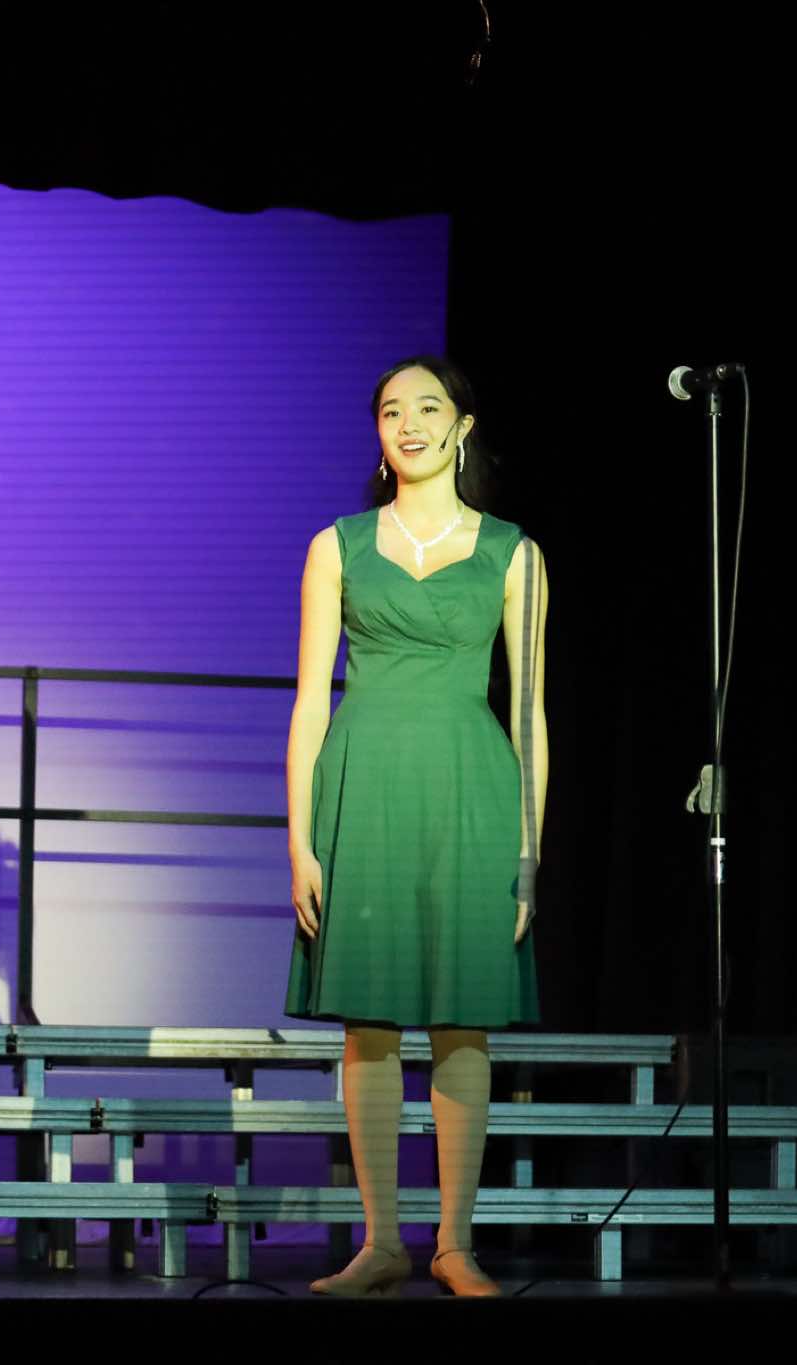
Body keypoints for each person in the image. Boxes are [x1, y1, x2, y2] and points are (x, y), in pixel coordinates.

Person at [283, 356, 549, 1297]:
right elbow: (310, 702)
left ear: (462, 426)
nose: (409, 423)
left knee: (461, 1020)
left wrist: (529, 849)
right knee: (369, 1022)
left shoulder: (514, 553)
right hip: (365, 786)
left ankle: (454, 1243)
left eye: (428, 407)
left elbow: (529, 711)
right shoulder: (337, 545)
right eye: (392, 410)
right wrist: (299, 839)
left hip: (470, 791)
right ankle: (382, 1241)